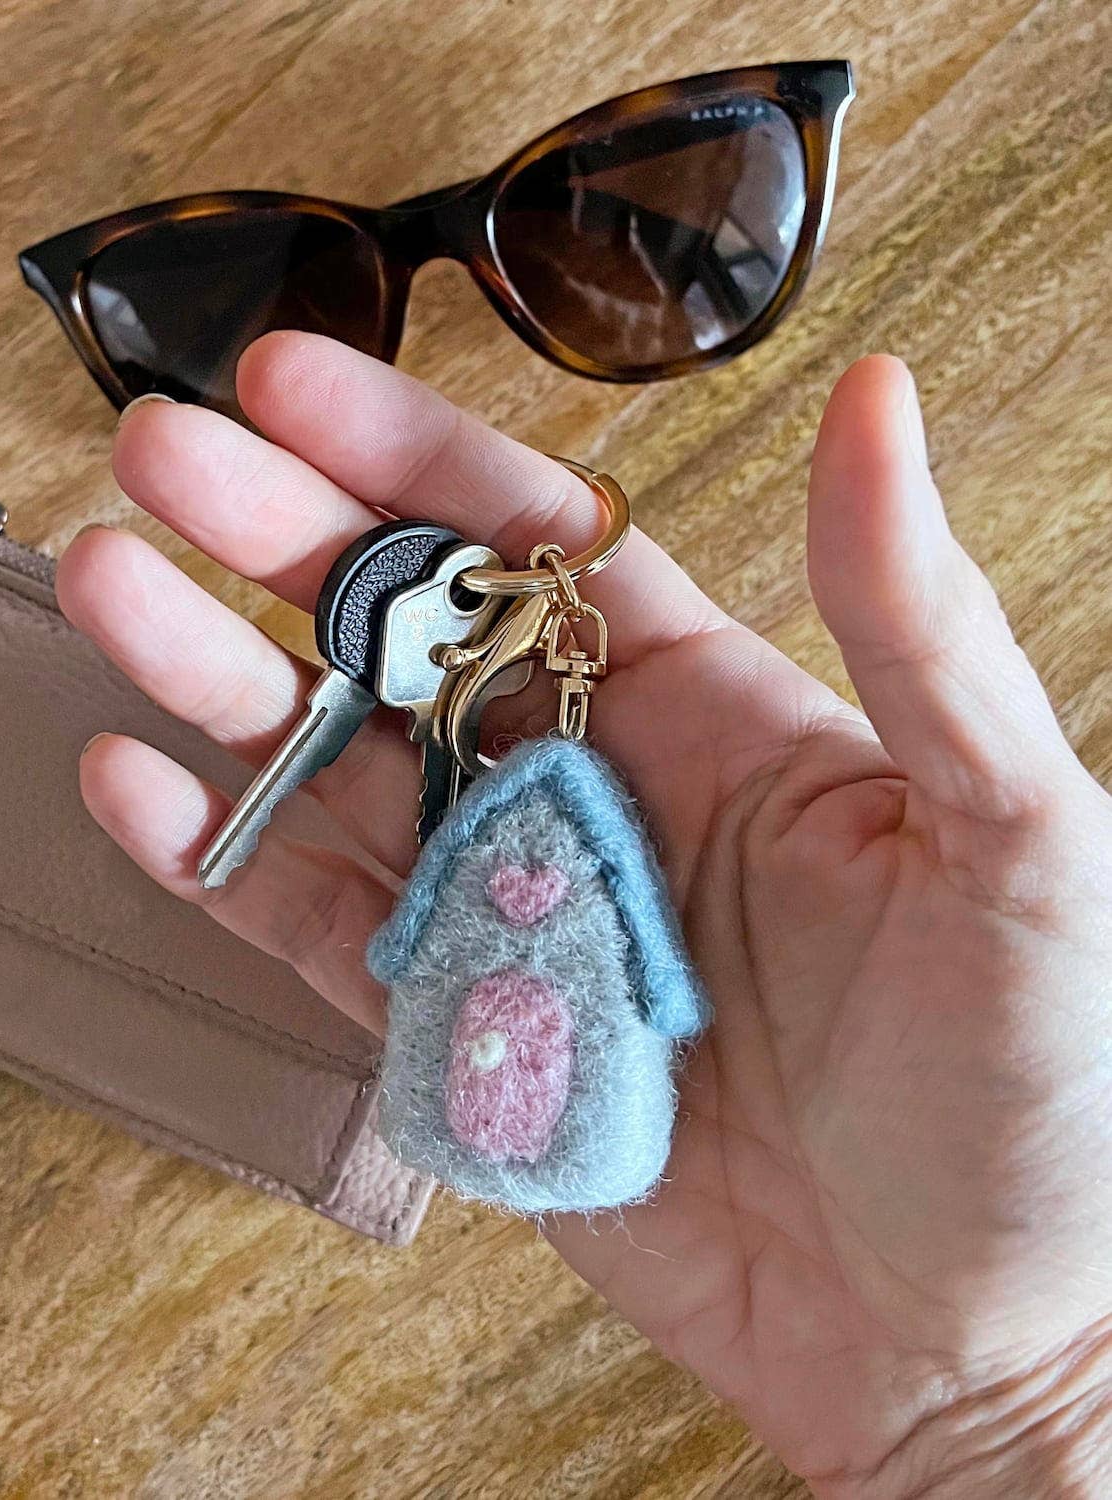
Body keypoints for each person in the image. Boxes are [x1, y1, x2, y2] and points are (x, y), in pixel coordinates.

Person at [57, 332, 1112, 1496]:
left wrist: (1034, 1405)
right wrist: (1020, 1417)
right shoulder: (539, 831)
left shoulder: (570, 831)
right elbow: (469, 934)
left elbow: (615, 956)